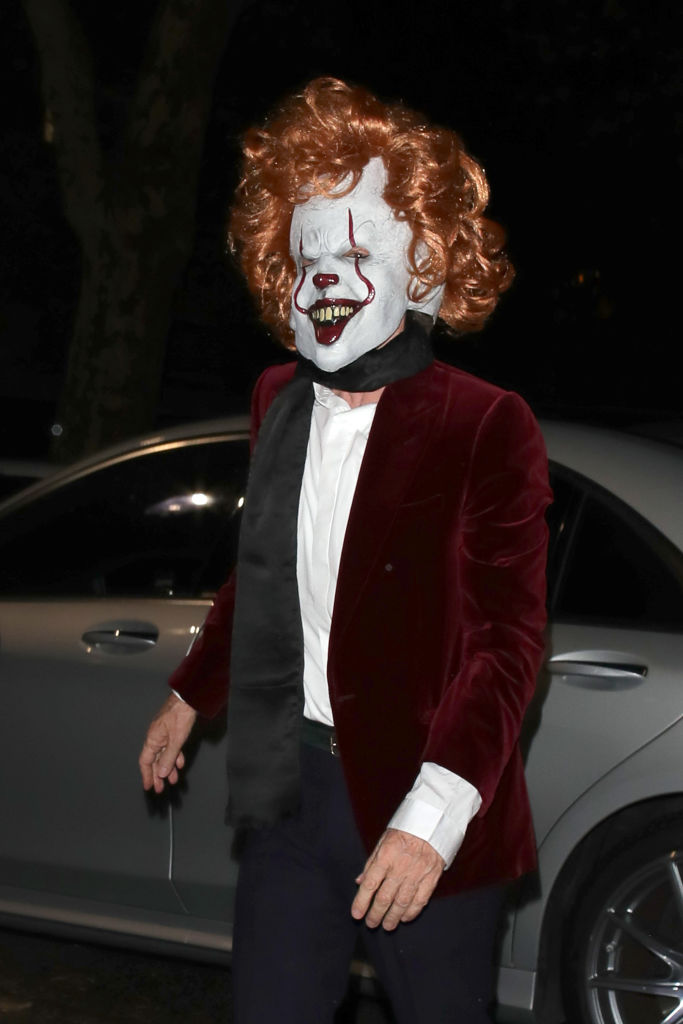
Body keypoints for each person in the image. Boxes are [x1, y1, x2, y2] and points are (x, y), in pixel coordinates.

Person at [139, 77, 551, 1024]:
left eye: (357, 253)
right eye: (309, 255)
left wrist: (430, 822)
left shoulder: (485, 423)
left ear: (424, 263)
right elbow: (263, 575)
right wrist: (189, 695)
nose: (326, 277)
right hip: (290, 787)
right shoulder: (276, 399)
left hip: (423, 790)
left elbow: (505, 647)